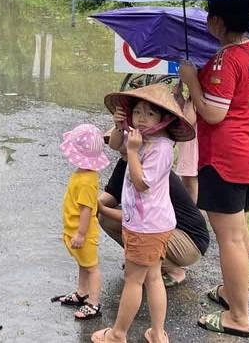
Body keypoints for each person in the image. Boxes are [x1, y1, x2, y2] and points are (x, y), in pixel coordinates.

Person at [178, 0, 249, 339]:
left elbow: (213, 114)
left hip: (225, 160)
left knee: (231, 239)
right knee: (240, 232)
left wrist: (192, 79)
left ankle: (239, 316)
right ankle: (230, 292)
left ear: (218, 22)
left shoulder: (227, 59)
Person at [92, 82, 196, 343]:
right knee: (152, 278)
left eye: (150, 113)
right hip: (148, 223)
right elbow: (116, 144)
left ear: (163, 119)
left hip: (147, 226)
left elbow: (141, 182)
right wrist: (119, 126)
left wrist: (134, 152)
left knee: (133, 280)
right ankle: (158, 334)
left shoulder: (160, 147)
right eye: (137, 111)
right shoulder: (141, 136)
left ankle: (118, 334)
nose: (142, 118)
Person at [99, 165, 210, 289]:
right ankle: (143, 261)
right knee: (107, 219)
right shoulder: (127, 163)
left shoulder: (151, 170)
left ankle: (172, 270)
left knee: (136, 229)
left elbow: (137, 218)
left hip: (189, 241)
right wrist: (87, 203)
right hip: (164, 228)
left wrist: (102, 209)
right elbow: (112, 196)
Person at [52, 123, 110, 322]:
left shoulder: (87, 180)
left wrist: (81, 234)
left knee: (91, 266)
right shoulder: (82, 173)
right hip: (74, 228)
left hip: (84, 232)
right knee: (83, 264)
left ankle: (93, 303)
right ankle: (81, 293)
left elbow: (86, 210)